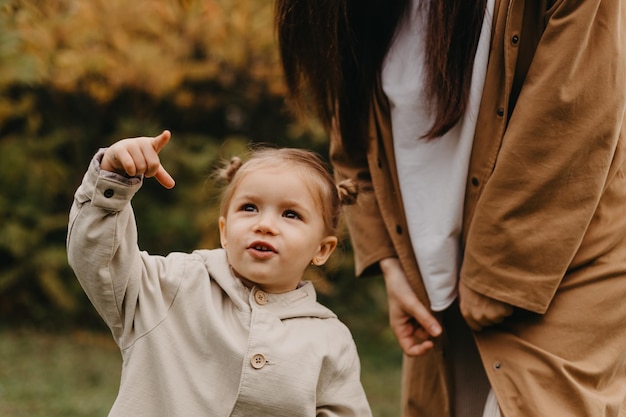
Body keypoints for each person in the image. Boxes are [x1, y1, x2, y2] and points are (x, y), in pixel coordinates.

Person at [275, 0, 626, 416]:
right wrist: (391, 265)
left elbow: (572, 115)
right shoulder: (354, 11)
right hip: (432, 295)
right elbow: (354, 144)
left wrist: (496, 276)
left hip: (559, 272)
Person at [66, 130, 373, 417]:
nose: (264, 224)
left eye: (290, 214)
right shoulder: (172, 286)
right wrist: (113, 178)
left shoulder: (330, 340)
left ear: (322, 249)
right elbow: (99, 260)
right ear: (224, 231)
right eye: (249, 208)